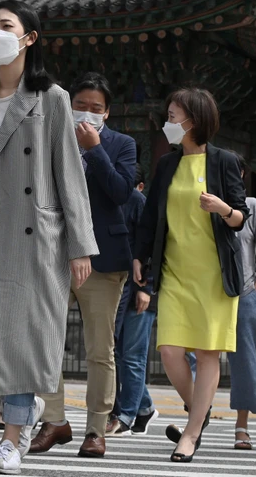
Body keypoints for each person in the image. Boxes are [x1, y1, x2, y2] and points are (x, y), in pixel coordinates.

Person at [0, 0, 98, 474]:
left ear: (28, 37)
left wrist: (80, 245)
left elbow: (68, 172)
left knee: (17, 337)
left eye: (6, 25)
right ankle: (25, 404)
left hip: (33, 231)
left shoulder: (52, 97)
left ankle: (12, 439)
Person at [132, 88, 249, 463]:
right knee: (169, 352)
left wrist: (222, 207)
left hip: (214, 275)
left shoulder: (224, 161)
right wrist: (140, 256)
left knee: (207, 352)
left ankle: (191, 432)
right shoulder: (167, 163)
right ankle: (199, 409)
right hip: (175, 271)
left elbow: (241, 218)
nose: (167, 122)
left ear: (193, 120)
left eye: (172, 115)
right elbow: (151, 216)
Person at [31, 72, 135, 459]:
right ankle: (54, 421)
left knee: (99, 348)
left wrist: (95, 150)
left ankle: (96, 429)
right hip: (52, 254)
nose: (86, 114)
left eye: (96, 108)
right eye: (80, 106)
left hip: (103, 259)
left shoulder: (122, 144)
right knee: (46, 343)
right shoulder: (49, 138)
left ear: (107, 112)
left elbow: (122, 192)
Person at [186, 152, 256, 449]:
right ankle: (198, 418)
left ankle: (242, 425)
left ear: (239, 175)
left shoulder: (252, 206)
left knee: (245, 360)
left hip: (243, 292)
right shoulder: (198, 202)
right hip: (204, 291)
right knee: (195, 354)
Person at [108, 169, 160, 437]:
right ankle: (145, 407)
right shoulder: (112, 197)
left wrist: (147, 288)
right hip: (121, 286)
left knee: (133, 356)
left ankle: (126, 414)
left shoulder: (138, 201)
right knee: (119, 355)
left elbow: (149, 245)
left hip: (141, 288)